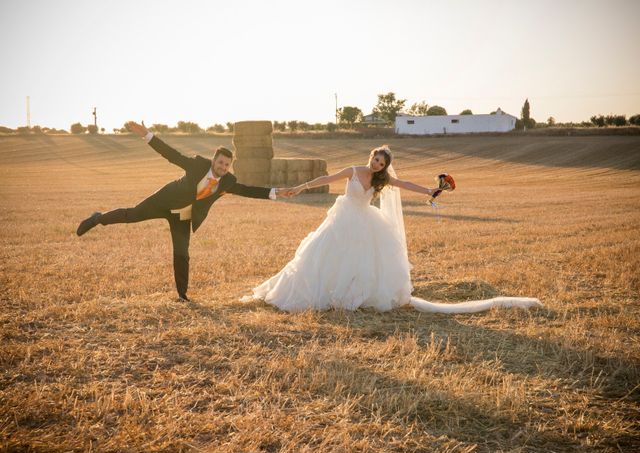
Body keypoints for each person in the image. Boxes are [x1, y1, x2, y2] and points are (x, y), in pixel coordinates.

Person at [242, 145, 542, 313]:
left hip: (363, 220)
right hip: (342, 217)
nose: (375, 163)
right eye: (375, 157)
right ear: (370, 156)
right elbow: (326, 179)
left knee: (361, 262)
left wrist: (429, 191)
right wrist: (299, 187)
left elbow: (405, 184)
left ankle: (353, 297)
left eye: (381, 161)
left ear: (385, 166)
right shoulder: (354, 170)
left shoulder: (382, 180)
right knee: (321, 254)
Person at [77, 121, 292, 302]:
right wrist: (148, 135)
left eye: (227, 165)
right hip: (164, 200)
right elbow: (172, 155)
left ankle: (182, 295)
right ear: (213, 160)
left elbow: (248, 190)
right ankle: (98, 218)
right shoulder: (197, 165)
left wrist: (275, 192)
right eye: (220, 163)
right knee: (131, 215)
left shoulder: (228, 181)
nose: (223, 167)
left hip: (183, 216)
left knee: (182, 254)